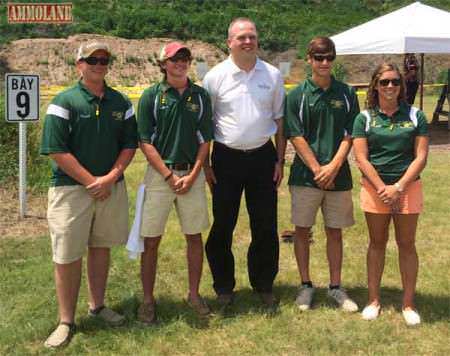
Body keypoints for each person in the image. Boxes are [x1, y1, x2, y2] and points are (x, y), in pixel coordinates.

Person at [40, 41, 138, 348]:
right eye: (92, 59)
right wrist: (91, 182)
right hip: (71, 191)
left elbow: (129, 145)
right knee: (67, 255)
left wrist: (109, 179)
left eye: (104, 60)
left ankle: (97, 306)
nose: (99, 64)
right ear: (79, 64)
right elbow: (56, 149)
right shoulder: (64, 101)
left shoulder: (120, 102)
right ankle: (66, 321)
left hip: (109, 187)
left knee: (101, 247)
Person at [202, 18, 286, 308]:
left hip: (263, 156)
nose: (247, 41)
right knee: (223, 225)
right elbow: (206, 124)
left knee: (265, 225)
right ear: (229, 42)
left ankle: (263, 284)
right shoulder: (214, 77)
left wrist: (279, 160)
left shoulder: (272, 75)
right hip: (226, 158)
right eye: (241, 37)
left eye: (252, 36)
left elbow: (279, 119)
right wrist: (206, 165)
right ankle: (224, 287)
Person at [137, 42, 214, 324]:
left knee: (194, 237)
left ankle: (193, 295)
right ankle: (147, 300)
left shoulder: (201, 96)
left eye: (185, 58)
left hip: (192, 174)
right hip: (161, 175)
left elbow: (205, 139)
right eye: (174, 59)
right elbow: (145, 141)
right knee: (151, 240)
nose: (181, 63)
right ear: (163, 64)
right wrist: (169, 176)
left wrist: (194, 175)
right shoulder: (152, 96)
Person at [284, 36, 359, 312]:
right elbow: (295, 134)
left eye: (329, 57)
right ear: (309, 59)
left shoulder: (347, 93)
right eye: (319, 57)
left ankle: (336, 287)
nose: (324, 62)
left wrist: (334, 166)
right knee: (302, 231)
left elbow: (351, 134)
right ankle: (305, 286)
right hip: (306, 176)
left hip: (338, 174)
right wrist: (318, 169)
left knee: (335, 232)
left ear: (334, 59)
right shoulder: (297, 95)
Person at [352, 63, 428, 325]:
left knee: (407, 244)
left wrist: (398, 187)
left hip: (407, 187)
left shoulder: (416, 115)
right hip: (376, 190)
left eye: (395, 81)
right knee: (377, 243)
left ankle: (408, 304)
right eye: (384, 82)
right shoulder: (365, 118)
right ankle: (373, 300)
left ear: (401, 85)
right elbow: (361, 158)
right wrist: (383, 188)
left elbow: (421, 157)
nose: (390, 86)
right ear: (375, 85)